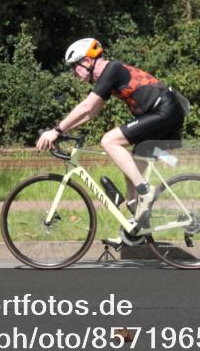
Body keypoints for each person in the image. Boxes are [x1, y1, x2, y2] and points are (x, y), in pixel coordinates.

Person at [36, 38, 186, 247]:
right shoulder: (108, 77)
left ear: (87, 62)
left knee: (109, 141)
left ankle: (146, 191)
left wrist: (56, 131)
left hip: (164, 110)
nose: (73, 73)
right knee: (131, 171)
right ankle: (135, 228)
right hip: (162, 113)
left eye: (74, 67)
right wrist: (61, 131)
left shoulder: (112, 69)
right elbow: (90, 113)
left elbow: (86, 106)